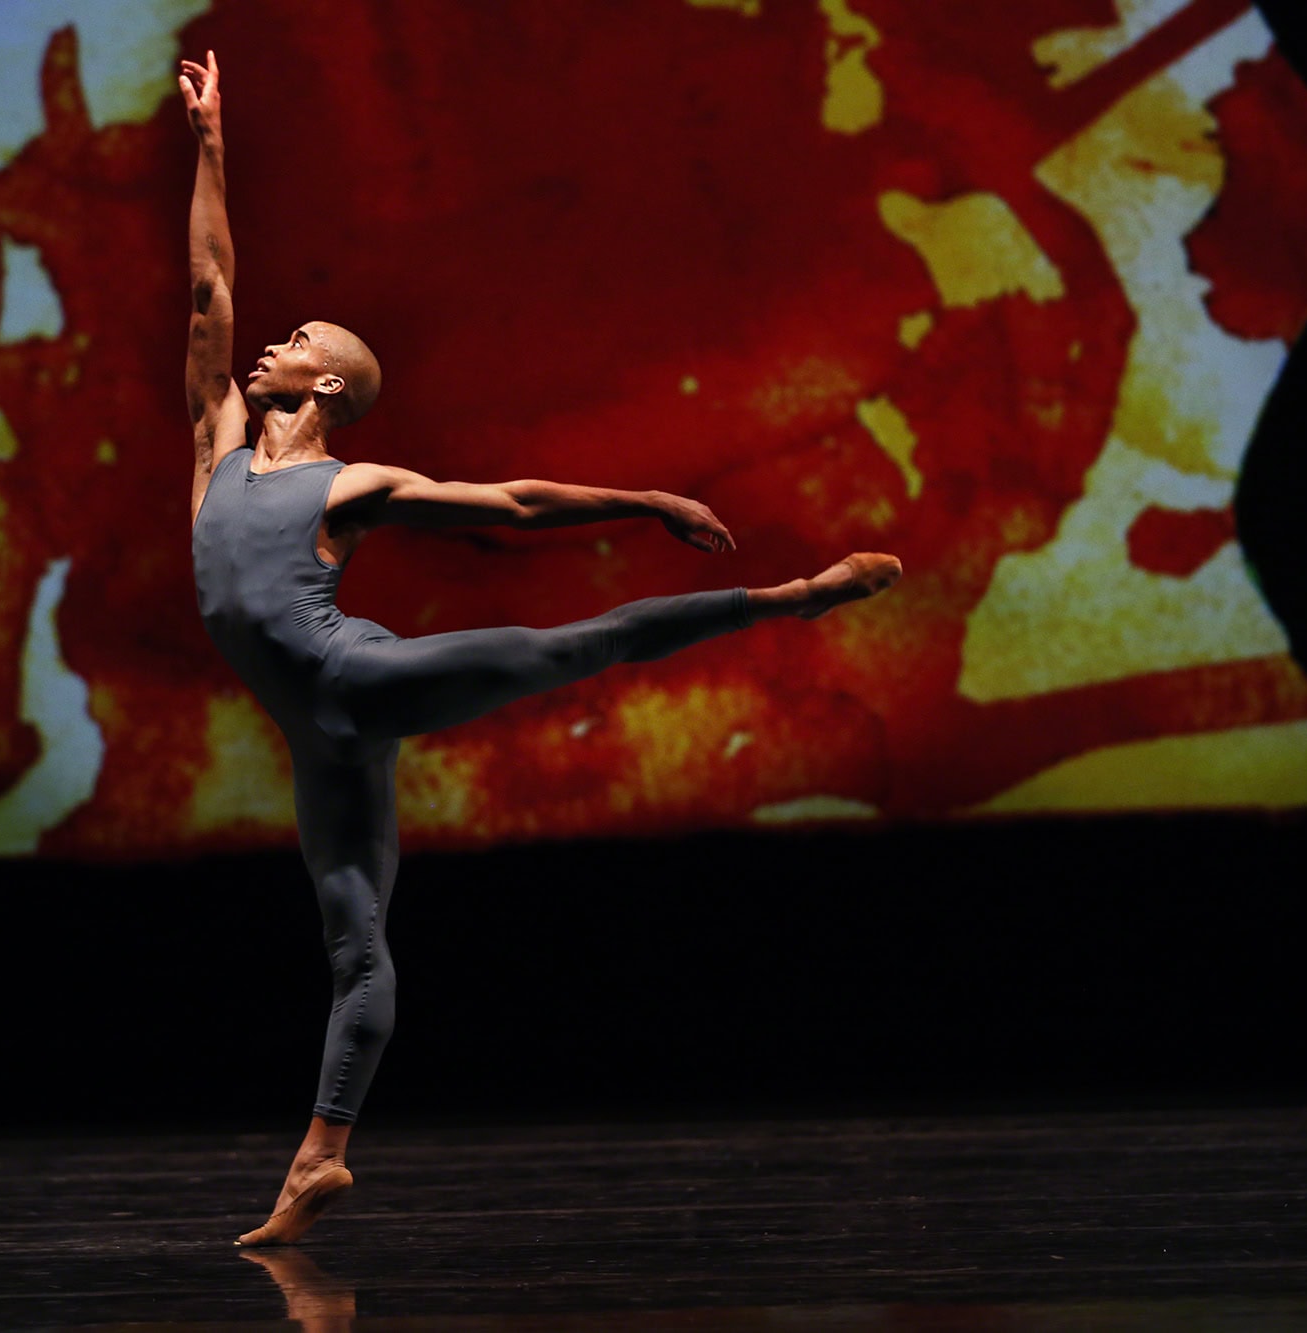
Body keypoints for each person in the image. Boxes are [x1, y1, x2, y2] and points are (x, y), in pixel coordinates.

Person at [177, 51, 902, 1246]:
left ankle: (791, 597)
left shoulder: (352, 483)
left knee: (576, 646)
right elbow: (209, 283)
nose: (267, 342)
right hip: (316, 733)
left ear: (328, 380)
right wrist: (210, 144)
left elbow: (509, 502)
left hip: (357, 674)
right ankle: (319, 1160)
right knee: (357, 949)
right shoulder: (213, 441)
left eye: (293, 336)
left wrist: (645, 500)